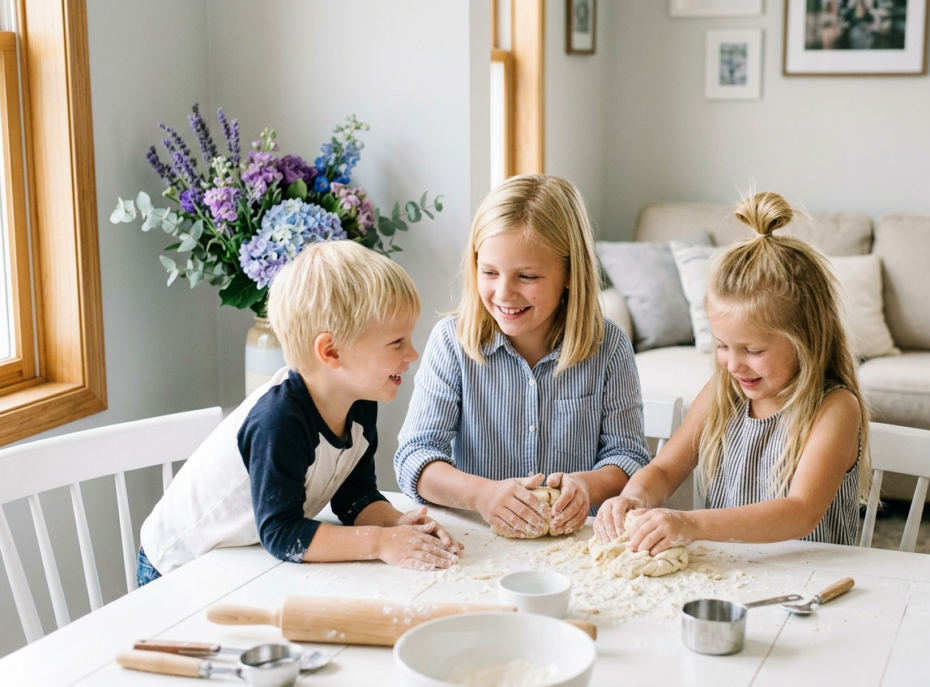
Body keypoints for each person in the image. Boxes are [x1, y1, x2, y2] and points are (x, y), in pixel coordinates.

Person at [137, 241, 461, 586]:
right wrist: (380, 543)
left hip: (239, 560)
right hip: (177, 565)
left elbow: (354, 496)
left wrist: (397, 524)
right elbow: (282, 533)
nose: (412, 354)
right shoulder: (278, 421)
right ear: (331, 351)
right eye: (397, 342)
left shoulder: (360, 402)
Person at [593, 191, 871, 552]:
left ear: (808, 339)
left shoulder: (834, 409)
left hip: (810, 582)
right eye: (722, 346)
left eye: (753, 350)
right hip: (730, 575)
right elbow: (663, 471)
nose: (733, 364)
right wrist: (633, 496)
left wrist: (689, 523)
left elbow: (799, 512)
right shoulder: (723, 392)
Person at [394, 174, 649, 538]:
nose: (504, 293)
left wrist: (586, 487)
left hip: (577, 543)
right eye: (490, 272)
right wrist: (484, 495)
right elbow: (415, 459)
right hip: (480, 540)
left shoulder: (608, 347)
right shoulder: (452, 343)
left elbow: (629, 458)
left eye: (527, 276)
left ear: (570, 274)